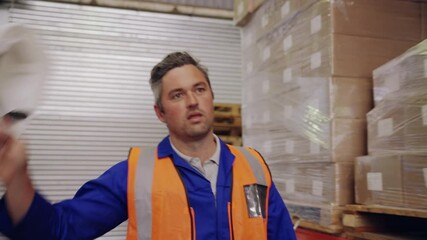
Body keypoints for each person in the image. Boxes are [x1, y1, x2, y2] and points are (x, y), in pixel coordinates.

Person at [0, 52, 297, 239]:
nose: (192, 100)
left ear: (211, 97)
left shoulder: (253, 168)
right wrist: (17, 178)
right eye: (177, 95)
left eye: (199, 89)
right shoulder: (136, 175)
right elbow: (59, 229)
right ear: (160, 113)